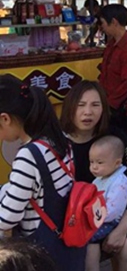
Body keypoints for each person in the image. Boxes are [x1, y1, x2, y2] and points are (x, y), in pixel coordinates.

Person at [0, 76, 86, 270]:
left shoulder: (28, 156)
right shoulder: (60, 139)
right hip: (68, 242)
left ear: (5, 118)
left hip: (42, 254)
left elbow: (7, 217)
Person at [60, 80, 127, 271]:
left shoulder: (115, 139)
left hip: (116, 216)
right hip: (75, 221)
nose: (88, 112)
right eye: (81, 105)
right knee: (85, 254)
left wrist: (122, 228)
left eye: (95, 105)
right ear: (70, 107)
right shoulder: (58, 144)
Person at [87, 136, 127, 271]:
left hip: (109, 222)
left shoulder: (120, 182)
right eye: (91, 162)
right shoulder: (100, 178)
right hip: (97, 217)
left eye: (100, 162)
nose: (94, 167)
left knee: (86, 238)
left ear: (117, 163)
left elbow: (113, 210)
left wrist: (91, 217)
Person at [98, 4, 127, 140]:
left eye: (103, 23)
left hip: (121, 110)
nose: (102, 27)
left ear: (114, 22)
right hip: (109, 103)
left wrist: (111, 104)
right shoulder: (112, 44)